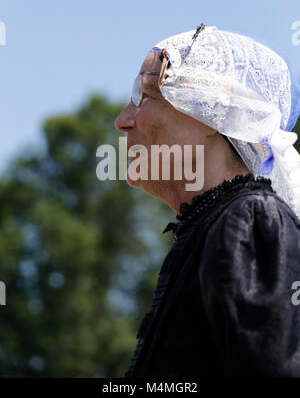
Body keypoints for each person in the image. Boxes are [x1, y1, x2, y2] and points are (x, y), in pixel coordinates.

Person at [114, 24, 300, 378]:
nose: (122, 121)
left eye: (145, 96)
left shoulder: (251, 221)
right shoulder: (212, 225)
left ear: (215, 113)